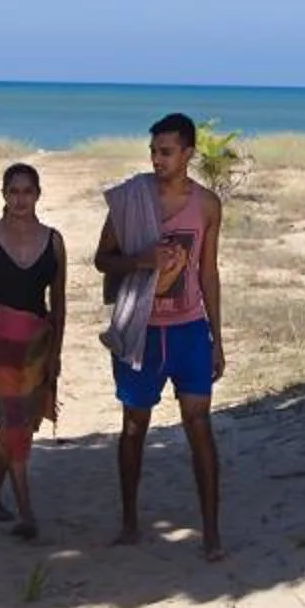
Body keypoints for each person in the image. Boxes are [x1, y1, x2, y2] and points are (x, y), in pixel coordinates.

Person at [94, 112, 227, 560]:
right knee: (134, 427)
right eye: (153, 151)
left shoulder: (207, 205)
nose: (156, 160)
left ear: (188, 153)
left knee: (199, 426)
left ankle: (211, 533)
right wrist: (142, 260)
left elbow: (208, 273)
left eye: (166, 152)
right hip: (142, 330)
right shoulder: (131, 199)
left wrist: (217, 337)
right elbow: (102, 260)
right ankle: (130, 522)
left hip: (189, 331)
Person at [0, 161, 66, 540]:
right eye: (13, 192)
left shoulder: (54, 241)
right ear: (3, 194)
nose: (20, 199)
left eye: (27, 191)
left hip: (36, 346)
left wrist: (56, 354)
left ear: (38, 194)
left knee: (20, 423)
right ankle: (26, 512)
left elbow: (59, 301)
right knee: (11, 423)